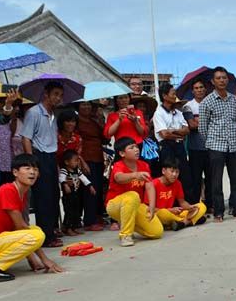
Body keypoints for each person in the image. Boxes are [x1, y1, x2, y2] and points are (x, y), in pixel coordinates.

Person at [0, 153, 63, 282]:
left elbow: (18, 229)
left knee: (34, 229)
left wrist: (31, 257)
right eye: (27, 168)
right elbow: (20, 227)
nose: (32, 172)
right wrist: (44, 259)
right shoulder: (8, 190)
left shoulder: (21, 194)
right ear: (15, 172)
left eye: (35, 169)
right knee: (37, 234)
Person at [199, 67, 236, 222]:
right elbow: (202, 127)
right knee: (216, 181)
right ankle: (219, 212)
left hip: (234, 144)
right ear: (213, 81)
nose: (222, 80)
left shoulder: (234, 100)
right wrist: (211, 142)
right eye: (218, 78)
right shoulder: (207, 102)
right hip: (216, 145)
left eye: (224, 78)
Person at [21, 81, 64, 248]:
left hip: (51, 156)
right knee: (43, 197)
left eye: (60, 95)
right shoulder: (34, 112)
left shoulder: (53, 114)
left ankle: (52, 230)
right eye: (55, 94)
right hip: (39, 156)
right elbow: (26, 137)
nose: (58, 98)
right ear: (46, 94)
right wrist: (32, 164)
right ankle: (45, 236)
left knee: (54, 195)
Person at [105, 137, 162, 247]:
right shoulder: (118, 165)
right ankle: (125, 235)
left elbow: (149, 186)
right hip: (114, 205)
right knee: (133, 195)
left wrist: (151, 206)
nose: (136, 149)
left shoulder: (144, 165)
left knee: (157, 232)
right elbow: (118, 177)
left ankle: (129, 224)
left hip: (135, 204)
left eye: (136, 146)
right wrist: (135, 175)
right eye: (131, 148)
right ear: (122, 153)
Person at [153, 83, 191, 193]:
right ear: (165, 96)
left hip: (179, 146)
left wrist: (173, 130)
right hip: (167, 147)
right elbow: (164, 134)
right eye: (173, 94)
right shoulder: (159, 113)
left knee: (184, 174)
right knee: (170, 176)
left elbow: (187, 130)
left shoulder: (178, 113)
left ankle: (184, 201)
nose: (175, 96)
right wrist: (180, 134)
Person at [151, 157, 207, 231]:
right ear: (163, 171)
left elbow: (182, 202)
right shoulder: (154, 184)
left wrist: (190, 207)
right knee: (163, 213)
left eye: (177, 172)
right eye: (172, 171)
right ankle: (187, 222)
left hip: (174, 214)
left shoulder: (177, 183)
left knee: (202, 206)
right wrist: (170, 210)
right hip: (160, 214)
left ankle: (179, 224)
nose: (174, 174)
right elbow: (148, 209)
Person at [182, 78, 212, 208]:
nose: (199, 90)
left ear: (205, 89)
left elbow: (218, 122)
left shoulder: (212, 103)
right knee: (196, 179)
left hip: (211, 146)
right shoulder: (188, 106)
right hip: (195, 148)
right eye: (196, 88)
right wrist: (208, 120)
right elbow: (192, 125)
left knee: (212, 178)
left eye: (201, 87)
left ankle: (210, 204)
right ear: (192, 91)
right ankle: (195, 204)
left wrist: (199, 119)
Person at [76, 101, 106, 231]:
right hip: (85, 158)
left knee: (98, 187)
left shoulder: (94, 121)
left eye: (88, 104)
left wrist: (100, 121)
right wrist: (80, 160)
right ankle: (89, 220)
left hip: (98, 157)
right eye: (83, 105)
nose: (86, 107)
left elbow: (105, 139)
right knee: (89, 189)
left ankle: (98, 215)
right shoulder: (76, 122)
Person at [59, 149, 95, 236]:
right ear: (67, 162)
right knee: (69, 212)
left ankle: (74, 227)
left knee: (76, 212)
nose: (77, 162)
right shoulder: (64, 170)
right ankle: (68, 228)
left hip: (75, 194)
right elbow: (61, 178)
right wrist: (65, 185)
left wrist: (90, 186)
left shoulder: (77, 170)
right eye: (75, 160)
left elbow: (83, 178)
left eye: (78, 160)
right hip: (68, 196)